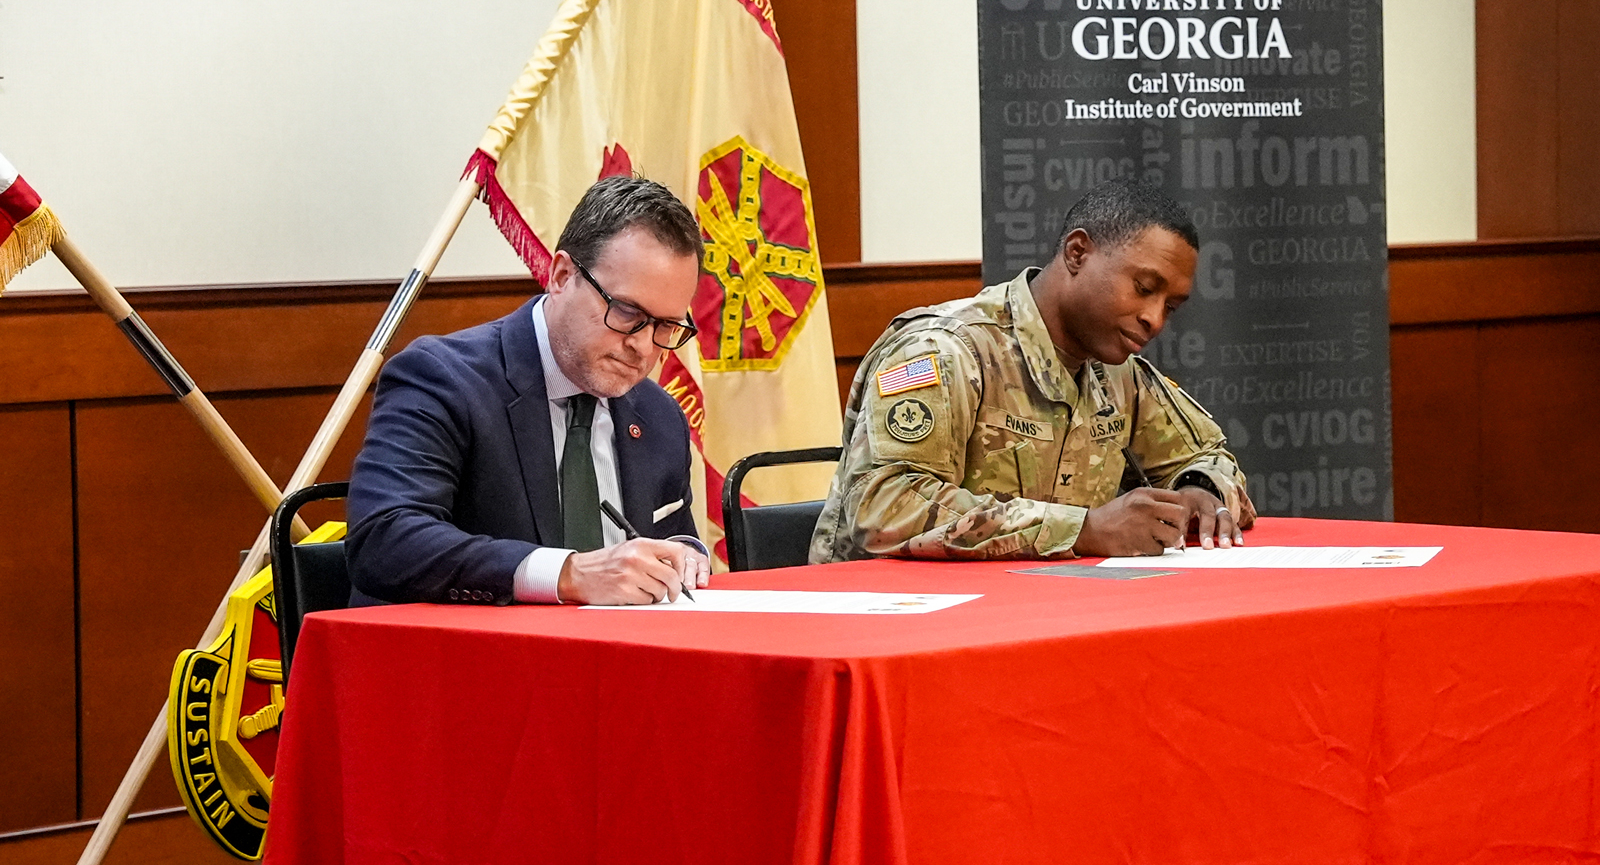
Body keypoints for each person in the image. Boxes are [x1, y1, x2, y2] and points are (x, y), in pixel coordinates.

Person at [811, 178, 1254, 563]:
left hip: (1032, 614)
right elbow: (887, 507)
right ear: (1078, 252)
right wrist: (1083, 529)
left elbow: (1208, 456)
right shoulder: (947, 351)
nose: (1155, 319)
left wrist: (1201, 491)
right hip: (891, 617)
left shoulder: (1118, 371)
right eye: (1143, 289)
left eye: (1170, 307)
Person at [347, 176, 710, 606]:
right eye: (627, 311)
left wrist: (686, 558)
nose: (643, 345)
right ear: (560, 276)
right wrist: (567, 574)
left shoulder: (659, 415)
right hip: (470, 661)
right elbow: (385, 539)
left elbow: (671, 543)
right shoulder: (442, 378)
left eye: (667, 326)